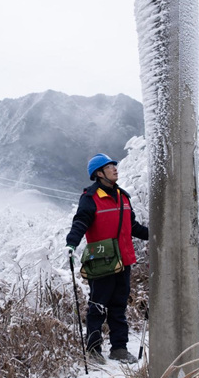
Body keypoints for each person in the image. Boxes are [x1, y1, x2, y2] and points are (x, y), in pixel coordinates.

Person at [63, 153, 149, 365]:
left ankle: (119, 348)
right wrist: (71, 243)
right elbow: (80, 222)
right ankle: (93, 350)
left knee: (119, 306)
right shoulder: (90, 199)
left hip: (124, 260)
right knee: (98, 306)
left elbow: (133, 227)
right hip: (102, 261)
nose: (115, 169)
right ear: (99, 173)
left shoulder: (123, 197)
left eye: (114, 165)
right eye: (110, 166)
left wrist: (155, 234)